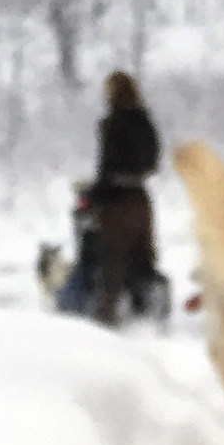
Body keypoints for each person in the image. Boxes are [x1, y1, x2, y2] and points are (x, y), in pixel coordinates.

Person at [58, 71, 169, 325]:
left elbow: (107, 168)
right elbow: (153, 163)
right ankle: (149, 312)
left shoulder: (112, 123)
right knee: (143, 258)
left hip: (116, 205)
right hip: (141, 199)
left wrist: (93, 195)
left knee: (112, 262)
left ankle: (106, 322)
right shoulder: (146, 123)